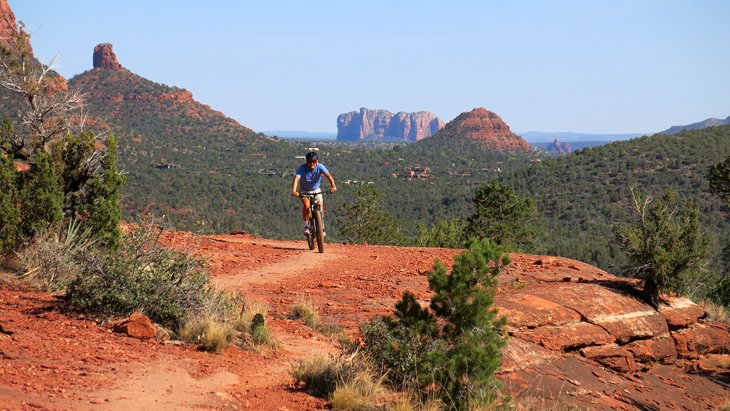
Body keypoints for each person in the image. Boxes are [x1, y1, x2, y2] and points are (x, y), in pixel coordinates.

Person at [291, 152, 337, 235]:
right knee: (306, 205)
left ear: (317, 161)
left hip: (316, 190)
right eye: (310, 162)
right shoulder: (302, 168)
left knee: (320, 205)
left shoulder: (320, 167)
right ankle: (306, 226)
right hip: (304, 190)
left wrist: (333, 187)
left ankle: (321, 226)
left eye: (314, 162)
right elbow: (296, 179)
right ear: (306, 161)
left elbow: (329, 176)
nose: (312, 164)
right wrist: (294, 191)